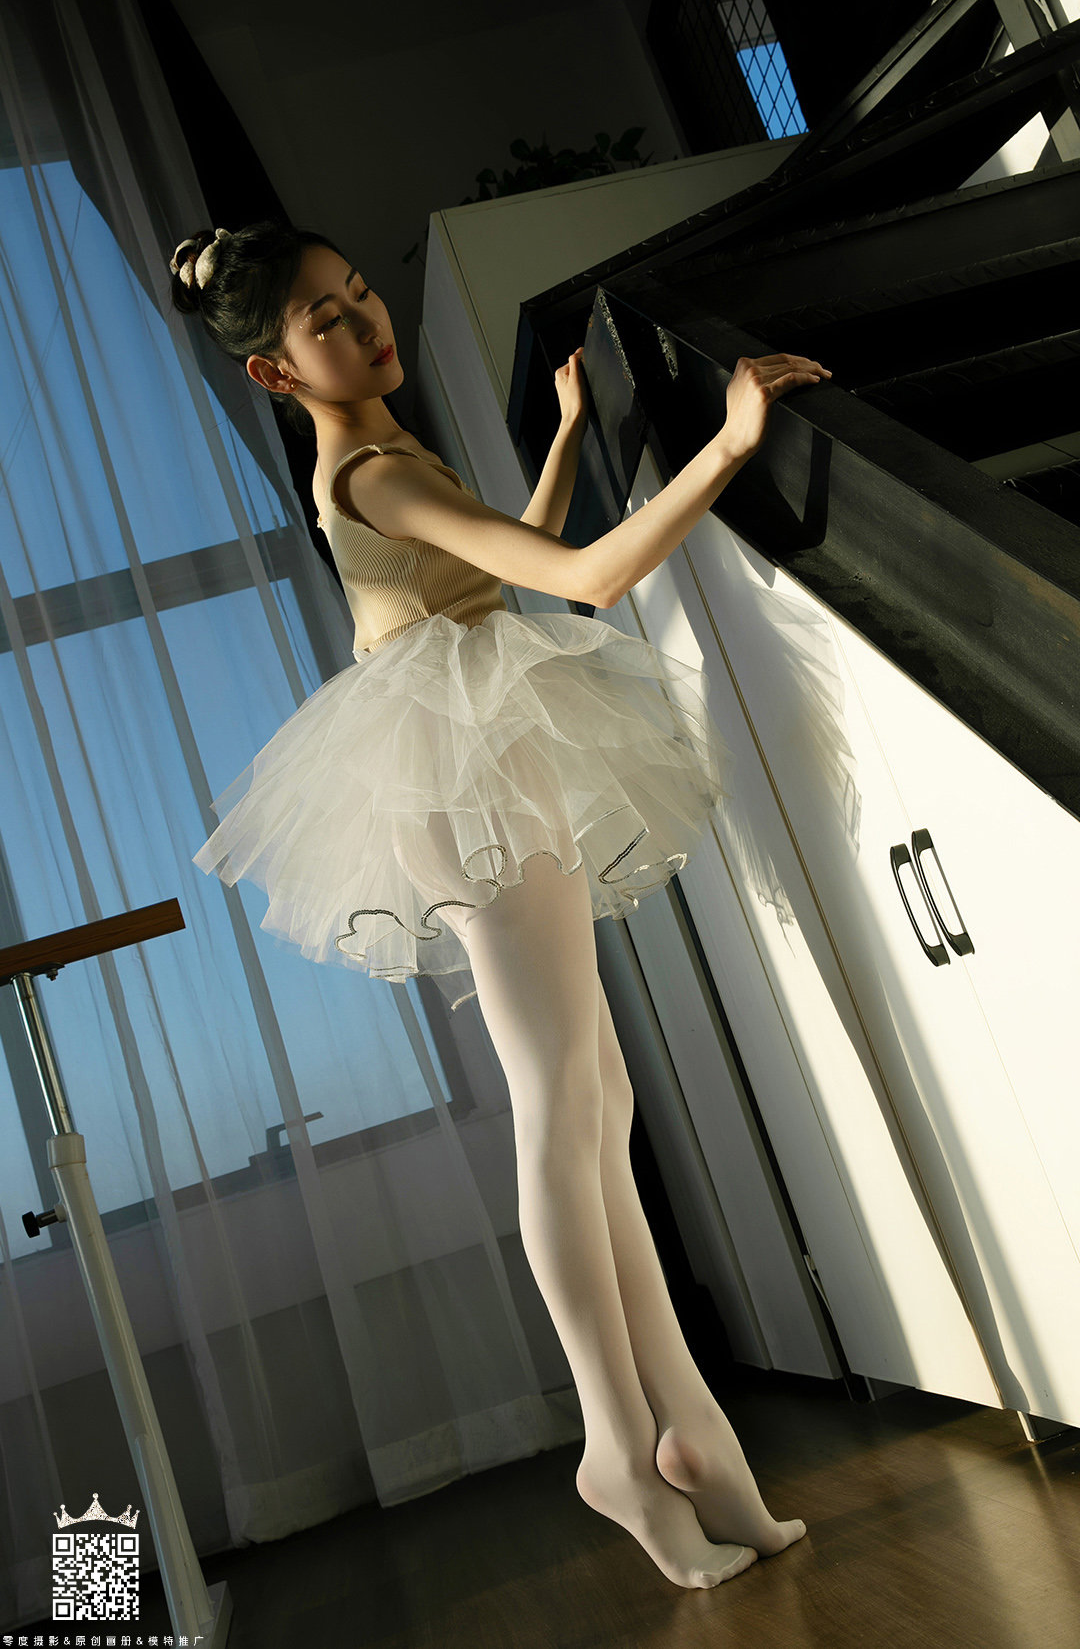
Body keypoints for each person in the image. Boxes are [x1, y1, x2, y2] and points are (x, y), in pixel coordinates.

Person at [175, 219, 829, 1591]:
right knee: (559, 1105)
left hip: (478, 759)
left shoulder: (388, 450)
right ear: (273, 374)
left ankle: (690, 1431)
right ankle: (617, 1442)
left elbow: (503, 567)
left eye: (360, 294)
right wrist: (729, 442)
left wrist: (570, 434)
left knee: (597, 1103)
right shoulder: (370, 470)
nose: (368, 323)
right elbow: (587, 580)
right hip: (460, 783)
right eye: (327, 319)